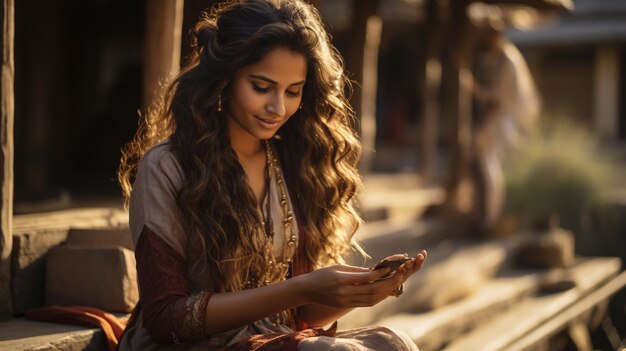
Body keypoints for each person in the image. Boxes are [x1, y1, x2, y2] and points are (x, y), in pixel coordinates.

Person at [117, 0, 427, 349]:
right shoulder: (166, 167)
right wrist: (301, 287)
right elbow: (167, 319)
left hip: (272, 340)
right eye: (262, 88)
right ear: (225, 78)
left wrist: (361, 291)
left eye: (293, 92)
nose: (278, 108)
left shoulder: (294, 161)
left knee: (393, 341)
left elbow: (300, 314)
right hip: (191, 346)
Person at [471, 26, 540, 233]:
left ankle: (491, 217)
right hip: (504, 119)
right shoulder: (505, 57)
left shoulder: (508, 60)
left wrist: (475, 90)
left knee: (490, 165)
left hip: (504, 119)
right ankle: (491, 215)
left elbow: (499, 95)